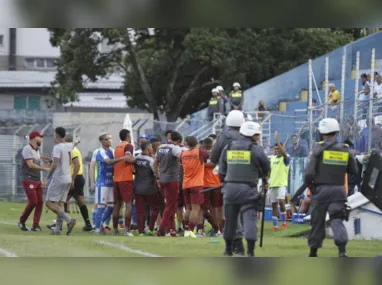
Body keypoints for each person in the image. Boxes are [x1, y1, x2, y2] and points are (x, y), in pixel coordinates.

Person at [304, 118, 357, 257]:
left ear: (322, 133)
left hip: (321, 190)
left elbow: (309, 173)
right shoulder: (345, 149)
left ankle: (313, 252)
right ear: (336, 131)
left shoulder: (318, 149)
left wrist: (311, 186)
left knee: (317, 222)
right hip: (339, 190)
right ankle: (342, 251)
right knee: (337, 219)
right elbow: (354, 170)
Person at [219, 121, 270, 257]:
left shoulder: (229, 146)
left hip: (230, 188)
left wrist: (225, 183)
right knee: (249, 219)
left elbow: (222, 170)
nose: (258, 137)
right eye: (257, 135)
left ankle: (228, 249)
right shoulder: (256, 149)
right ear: (252, 135)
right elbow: (266, 167)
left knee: (230, 220)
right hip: (248, 189)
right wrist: (263, 177)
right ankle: (250, 252)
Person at [210, 110, 246, 255]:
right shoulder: (248, 137)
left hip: (229, 181)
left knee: (231, 214)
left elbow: (213, 158)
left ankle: (235, 243)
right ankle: (242, 239)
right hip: (248, 180)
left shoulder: (223, 137)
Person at [94, 133, 129, 235]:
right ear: (102, 141)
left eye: (110, 138)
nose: (109, 140)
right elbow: (109, 162)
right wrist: (122, 158)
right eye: (106, 139)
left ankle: (100, 223)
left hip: (111, 183)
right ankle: (96, 229)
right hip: (102, 183)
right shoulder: (100, 152)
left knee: (111, 206)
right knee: (101, 206)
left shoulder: (113, 151)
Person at [43, 127, 77, 235]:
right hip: (67, 178)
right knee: (60, 204)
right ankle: (57, 229)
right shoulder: (69, 145)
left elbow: (55, 164)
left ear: (56, 136)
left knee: (49, 203)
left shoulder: (57, 147)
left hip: (59, 178)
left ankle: (69, 220)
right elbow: (69, 160)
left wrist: (47, 178)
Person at [18, 131, 50, 232]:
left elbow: (37, 160)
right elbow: (30, 164)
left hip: (37, 180)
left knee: (40, 202)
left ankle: (35, 225)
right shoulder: (27, 148)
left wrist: (46, 159)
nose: (41, 139)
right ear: (34, 138)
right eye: (40, 137)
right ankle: (22, 221)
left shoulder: (37, 150)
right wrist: (45, 168)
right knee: (33, 202)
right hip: (28, 179)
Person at [154, 131, 183, 237]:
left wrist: (157, 176)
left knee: (170, 204)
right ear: (178, 141)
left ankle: (172, 229)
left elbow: (155, 162)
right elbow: (182, 158)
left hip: (162, 179)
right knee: (171, 205)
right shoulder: (175, 148)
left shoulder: (160, 147)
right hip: (172, 179)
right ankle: (161, 229)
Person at [181, 136, 209, 238]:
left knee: (187, 208)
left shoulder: (183, 154)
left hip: (185, 183)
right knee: (196, 209)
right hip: (196, 184)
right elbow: (208, 155)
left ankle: (185, 229)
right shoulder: (200, 152)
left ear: (186, 143)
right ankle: (191, 230)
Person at [64, 134, 92, 231]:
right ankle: (88, 224)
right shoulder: (73, 149)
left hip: (74, 178)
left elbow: (77, 165)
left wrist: (72, 179)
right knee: (80, 202)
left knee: (62, 201)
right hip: (78, 178)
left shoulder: (72, 150)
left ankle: (60, 224)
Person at [133, 141, 161, 236]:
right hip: (150, 188)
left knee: (140, 210)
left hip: (138, 188)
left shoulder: (136, 159)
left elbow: (133, 171)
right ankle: (151, 228)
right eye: (151, 148)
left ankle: (140, 231)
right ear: (148, 149)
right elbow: (156, 173)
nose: (152, 149)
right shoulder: (151, 161)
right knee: (156, 207)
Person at [112, 129, 135, 236]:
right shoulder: (129, 146)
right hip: (126, 179)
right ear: (128, 136)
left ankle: (115, 230)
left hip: (116, 178)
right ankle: (127, 230)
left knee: (117, 204)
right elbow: (127, 159)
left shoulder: (117, 147)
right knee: (129, 204)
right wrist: (136, 159)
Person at [269, 132, 291, 231]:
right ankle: (275, 226)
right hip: (273, 184)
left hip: (282, 184)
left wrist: (277, 139)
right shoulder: (272, 158)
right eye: (276, 148)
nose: (277, 150)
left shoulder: (286, 158)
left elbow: (284, 153)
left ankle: (284, 223)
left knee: (281, 202)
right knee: (273, 205)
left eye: (279, 148)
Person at [203, 137, 223, 236]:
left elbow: (211, 164)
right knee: (216, 208)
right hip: (216, 184)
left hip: (205, 184)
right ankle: (217, 230)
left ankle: (214, 228)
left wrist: (200, 164)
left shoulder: (201, 154)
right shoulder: (217, 153)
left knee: (202, 209)